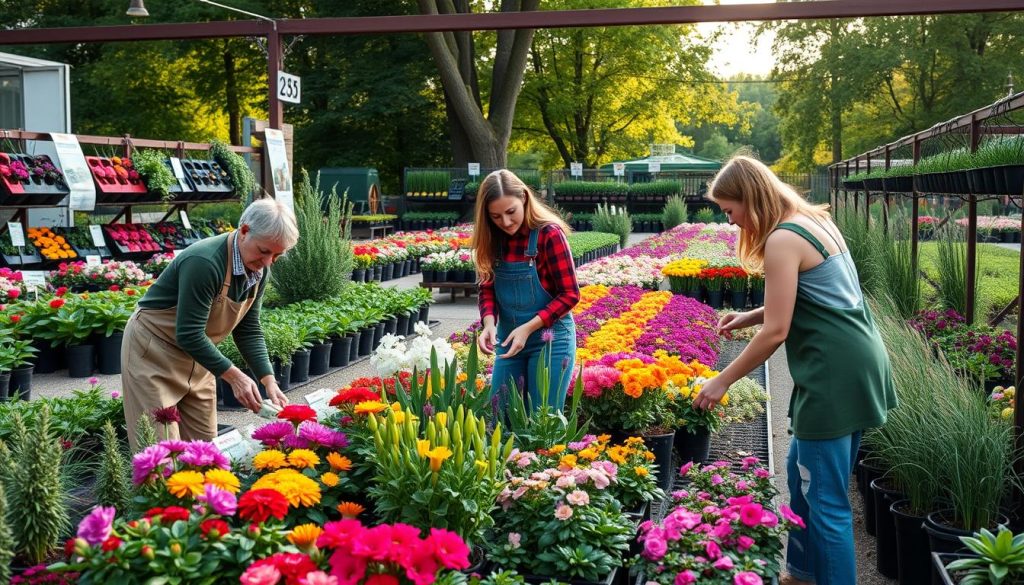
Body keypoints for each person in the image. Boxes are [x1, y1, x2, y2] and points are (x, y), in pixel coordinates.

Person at [692, 156, 897, 585]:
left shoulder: (783, 239)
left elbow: (778, 331)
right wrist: (749, 316)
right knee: (800, 474)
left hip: (832, 374)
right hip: (856, 360)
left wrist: (722, 379)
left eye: (730, 211)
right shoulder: (810, 220)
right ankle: (801, 573)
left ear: (751, 198)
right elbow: (810, 296)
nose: (730, 222)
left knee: (827, 502)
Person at [122, 199, 299, 450]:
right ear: (245, 231)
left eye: (277, 255)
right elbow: (189, 333)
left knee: (205, 449)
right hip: (154, 353)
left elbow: (248, 328)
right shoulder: (204, 262)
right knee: (160, 452)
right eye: (264, 251)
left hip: (199, 358)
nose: (268, 261)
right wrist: (235, 377)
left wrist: (268, 380)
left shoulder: (260, 270)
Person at [472, 169, 579, 411]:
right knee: (500, 413)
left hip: (550, 339)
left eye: (511, 212)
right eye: (496, 217)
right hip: (510, 340)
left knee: (544, 419)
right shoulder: (492, 239)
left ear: (524, 198)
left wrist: (529, 327)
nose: (506, 223)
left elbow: (570, 294)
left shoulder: (548, 235)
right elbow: (487, 287)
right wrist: (488, 324)